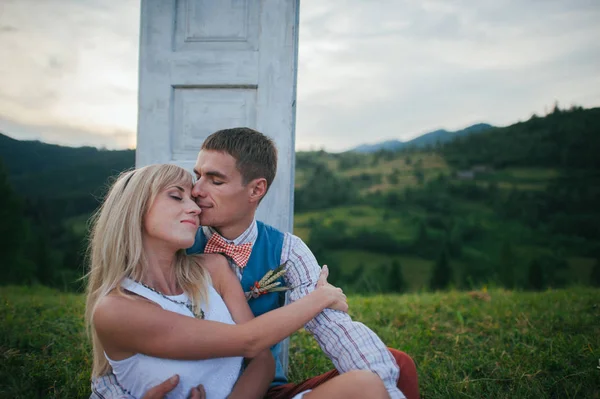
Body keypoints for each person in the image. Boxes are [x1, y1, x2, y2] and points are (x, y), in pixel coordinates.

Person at [91, 128, 420, 399]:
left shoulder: (280, 252)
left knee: (395, 365)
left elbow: (333, 330)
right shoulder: (175, 250)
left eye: (215, 181)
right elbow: (116, 362)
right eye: (196, 178)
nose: (197, 193)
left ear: (256, 190)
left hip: (263, 388)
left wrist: (388, 390)